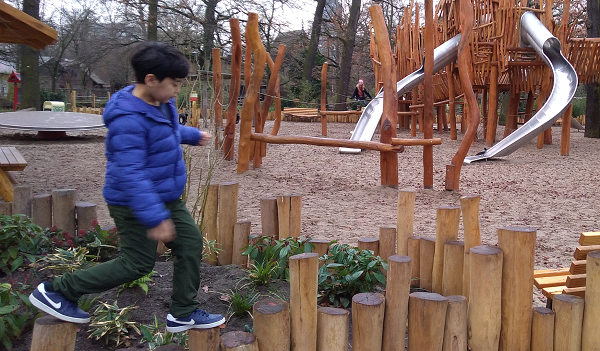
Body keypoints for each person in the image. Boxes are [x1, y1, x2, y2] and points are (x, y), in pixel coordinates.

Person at [29, 41, 225, 332]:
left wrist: (192, 135)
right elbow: (130, 171)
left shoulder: (159, 101)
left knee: (190, 243)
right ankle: (58, 291)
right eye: (175, 84)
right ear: (150, 79)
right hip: (135, 203)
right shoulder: (127, 120)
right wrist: (155, 217)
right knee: (137, 264)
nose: (177, 90)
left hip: (165, 198)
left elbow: (165, 133)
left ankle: (182, 312)